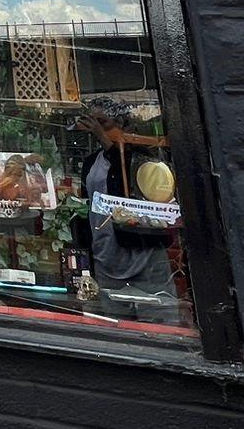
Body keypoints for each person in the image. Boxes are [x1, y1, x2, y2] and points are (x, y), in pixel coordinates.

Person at [76, 96, 178, 297]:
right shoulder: (91, 162)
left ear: (121, 123)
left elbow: (127, 173)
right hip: (105, 254)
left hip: (142, 253)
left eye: (103, 122)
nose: (97, 129)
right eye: (93, 123)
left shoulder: (139, 157)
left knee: (156, 314)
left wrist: (103, 138)